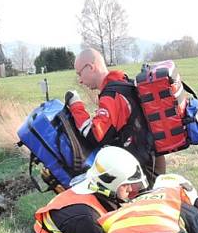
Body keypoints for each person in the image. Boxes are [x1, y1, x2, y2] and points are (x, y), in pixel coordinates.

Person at [67, 48, 164, 184]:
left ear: (90, 67)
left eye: (80, 74)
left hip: (141, 171)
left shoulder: (113, 95)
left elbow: (94, 136)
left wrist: (75, 105)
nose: (80, 81)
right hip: (151, 159)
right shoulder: (123, 83)